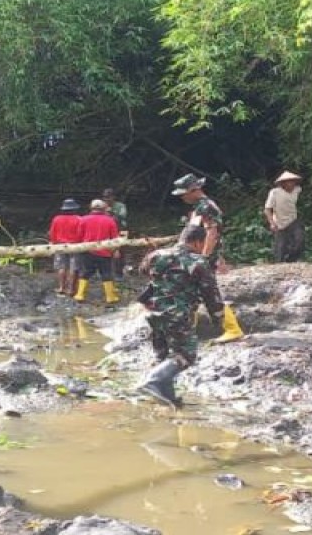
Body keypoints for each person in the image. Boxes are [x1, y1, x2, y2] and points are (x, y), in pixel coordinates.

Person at [135, 225, 225, 408]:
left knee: (164, 355)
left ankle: (169, 399)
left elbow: (143, 272)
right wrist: (218, 318)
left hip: (154, 311)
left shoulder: (156, 256)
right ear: (198, 242)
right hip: (178, 313)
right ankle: (153, 380)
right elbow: (210, 293)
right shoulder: (197, 262)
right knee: (186, 353)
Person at [172, 174, 243, 343]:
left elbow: (212, 233)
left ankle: (233, 329)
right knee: (191, 293)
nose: (182, 197)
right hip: (196, 256)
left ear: (194, 190)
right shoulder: (200, 206)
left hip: (201, 258)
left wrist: (204, 257)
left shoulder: (206, 206)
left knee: (209, 293)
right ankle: (189, 331)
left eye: (184, 193)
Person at [74, 199, 120, 305]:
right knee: (106, 273)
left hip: (87, 251)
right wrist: (116, 250)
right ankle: (110, 297)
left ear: (91, 208)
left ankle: (80, 295)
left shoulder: (83, 219)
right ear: (104, 209)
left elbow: (79, 236)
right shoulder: (110, 220)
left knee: (85, 272)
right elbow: (114, 238)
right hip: (105, 252)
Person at [264, 171, 305, 263]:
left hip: (293, 220)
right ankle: (280, 265)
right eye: (289, 182)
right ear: (283, 183)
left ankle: (291, 260)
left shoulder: (297, 190)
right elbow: (267, 209)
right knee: (280, 248)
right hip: (279, 222)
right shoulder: (275, 193)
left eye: (293, 181)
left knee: (300, 241)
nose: (292, 184)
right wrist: (272, 223)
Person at [48, 199, 83, 295]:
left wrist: (53, 243)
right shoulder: (79, 219)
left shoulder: (56, 219)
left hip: (60, 246)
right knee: (73, 267)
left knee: (61, 267)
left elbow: (52, 233)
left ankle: (61, 287)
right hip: (75, 246)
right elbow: (80, 234)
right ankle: (71, 289)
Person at [102, 187, 129, 278]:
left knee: (120, 251)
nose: (106, 199)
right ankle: (106, 272)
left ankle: (119, 273)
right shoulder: (102, 206)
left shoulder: (121, 206)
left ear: (113, 197)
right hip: (107, 230)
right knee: (105, 250)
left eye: (108, 197)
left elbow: (123, 217)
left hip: (121, 229)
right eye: (105, 197)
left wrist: (112, 212)